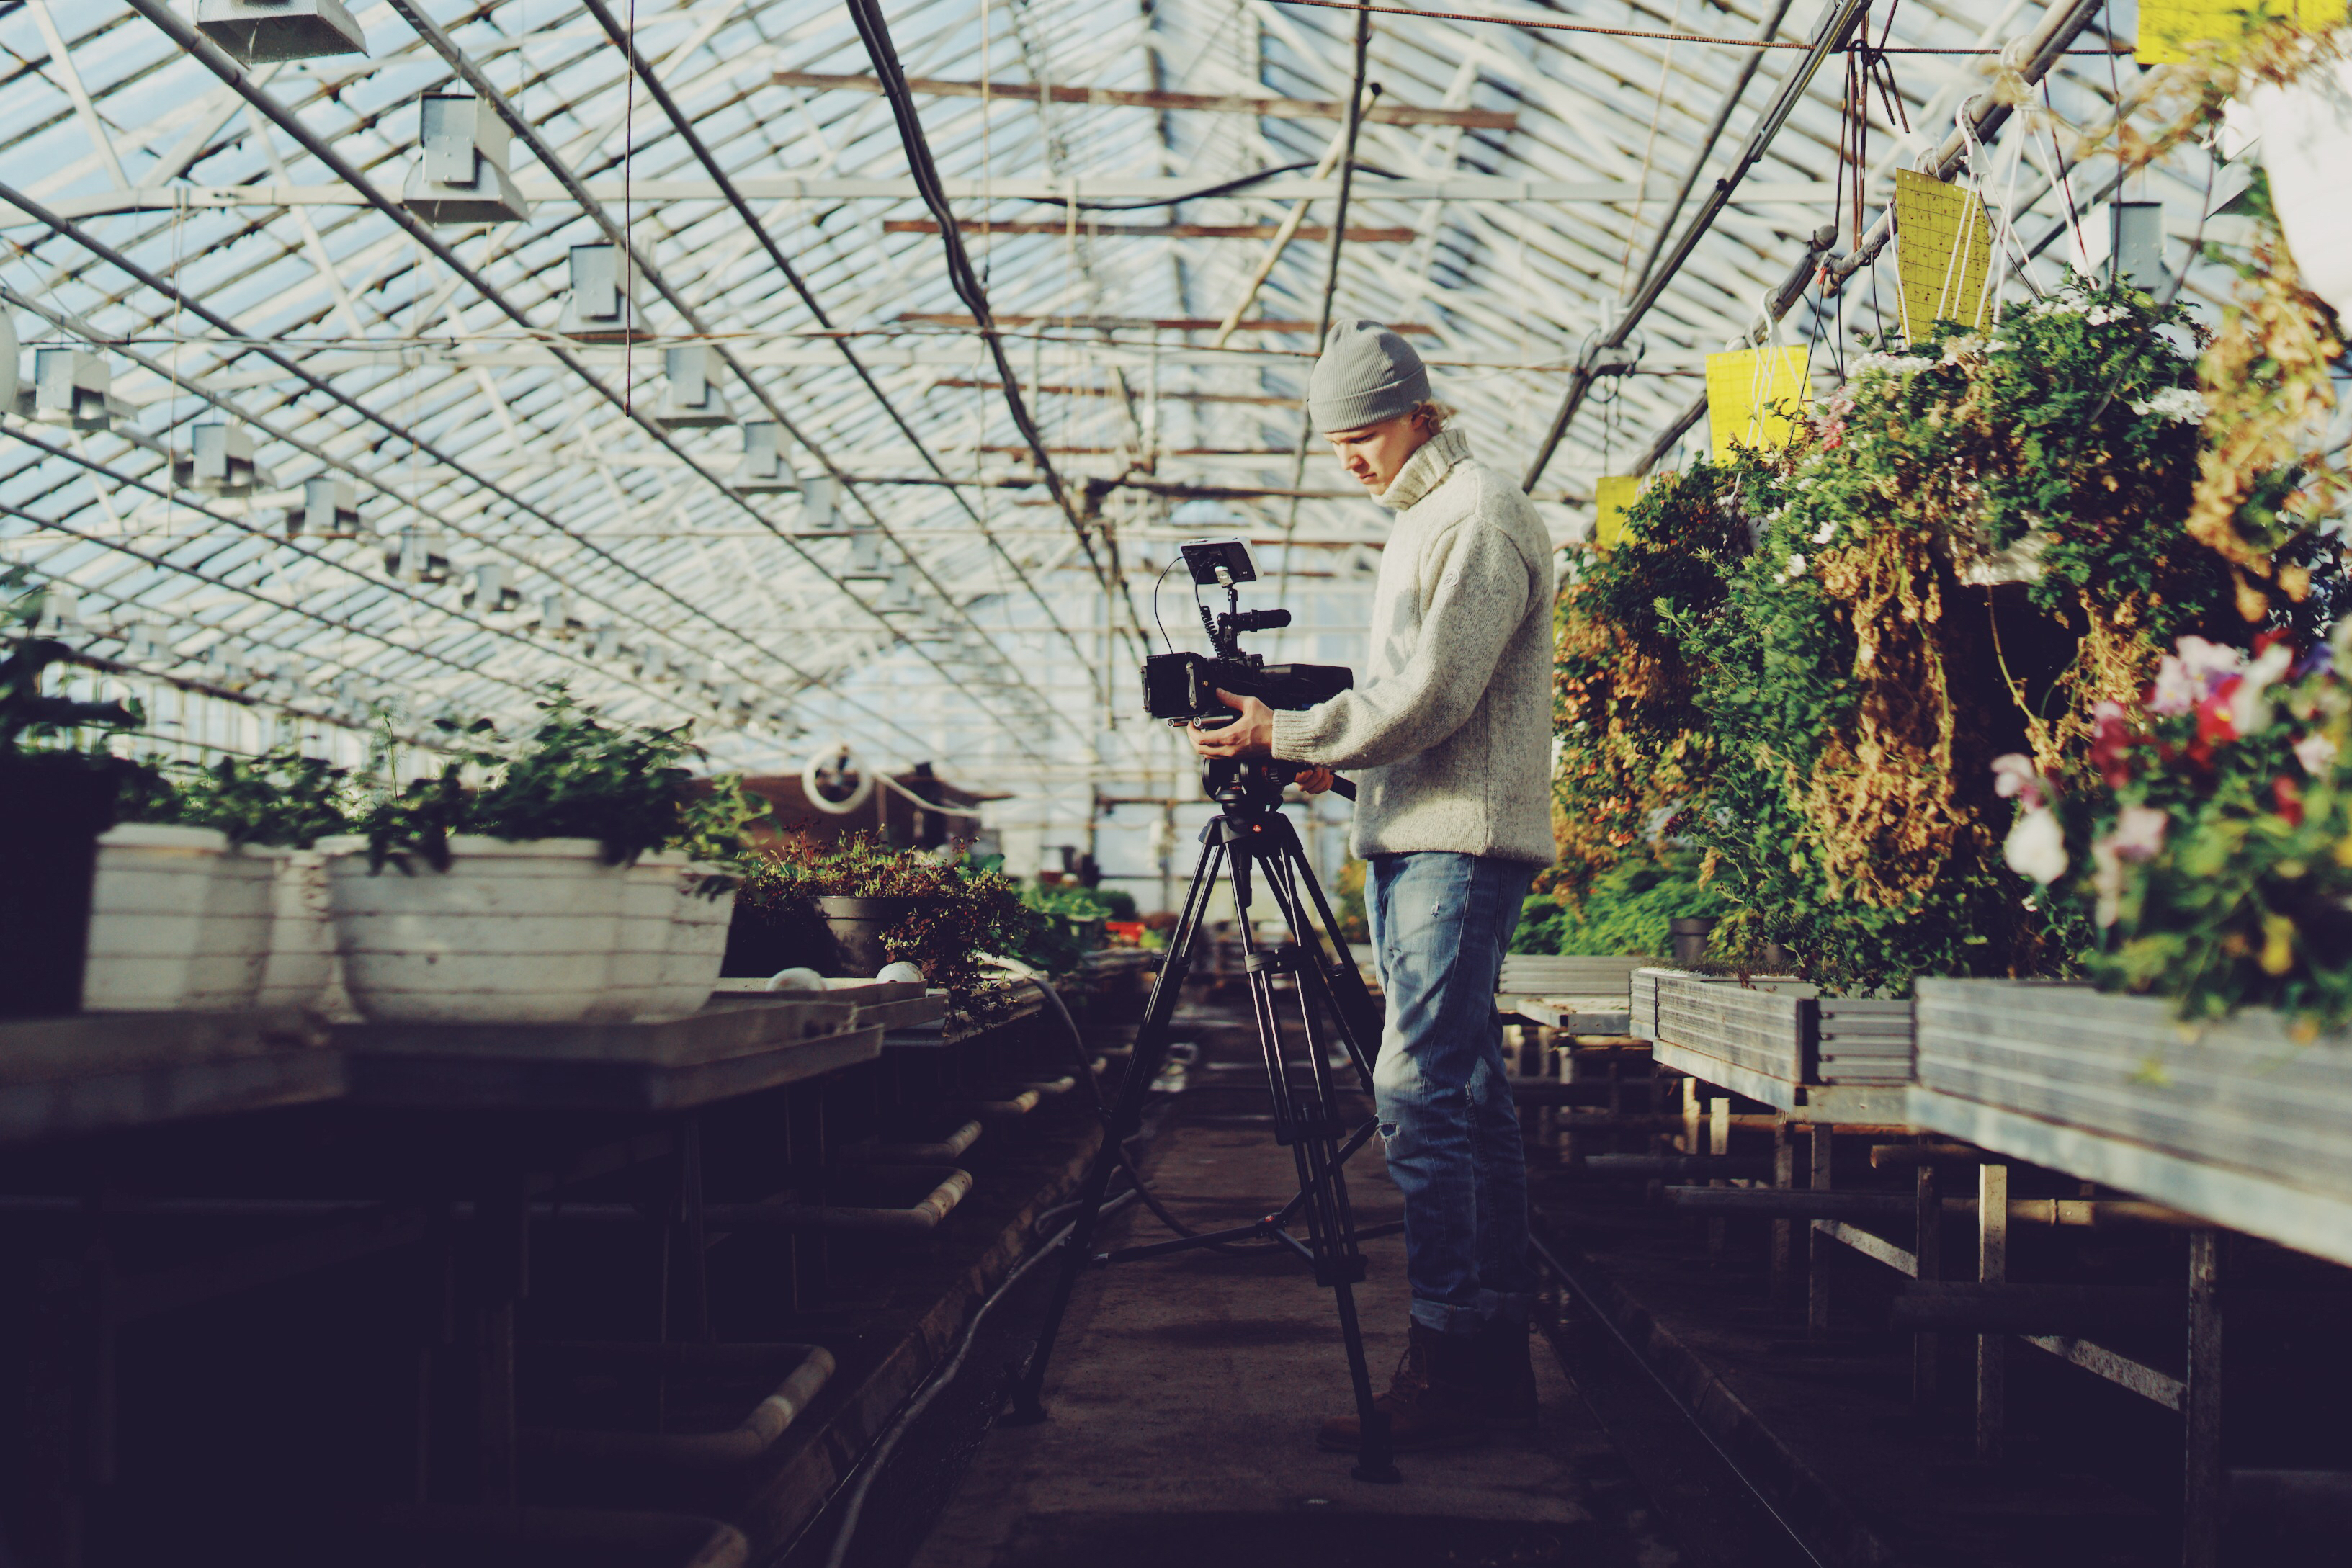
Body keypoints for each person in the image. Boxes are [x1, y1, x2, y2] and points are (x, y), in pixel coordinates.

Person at [1189, 319, 1556, 1451]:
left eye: (1364, 431)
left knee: (1413, 1090)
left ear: (1418, 413)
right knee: (1467, 1092)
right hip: (1414, 838)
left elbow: (1436, 694)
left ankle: (1449, 1346)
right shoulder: (1418, 523)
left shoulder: (1476, 517)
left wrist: (1296, 726)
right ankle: (1492, 1343)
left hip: (1459, 845)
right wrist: (1318, 760)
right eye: (1335, 439)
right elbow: (1412, 704)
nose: (1350, 455)